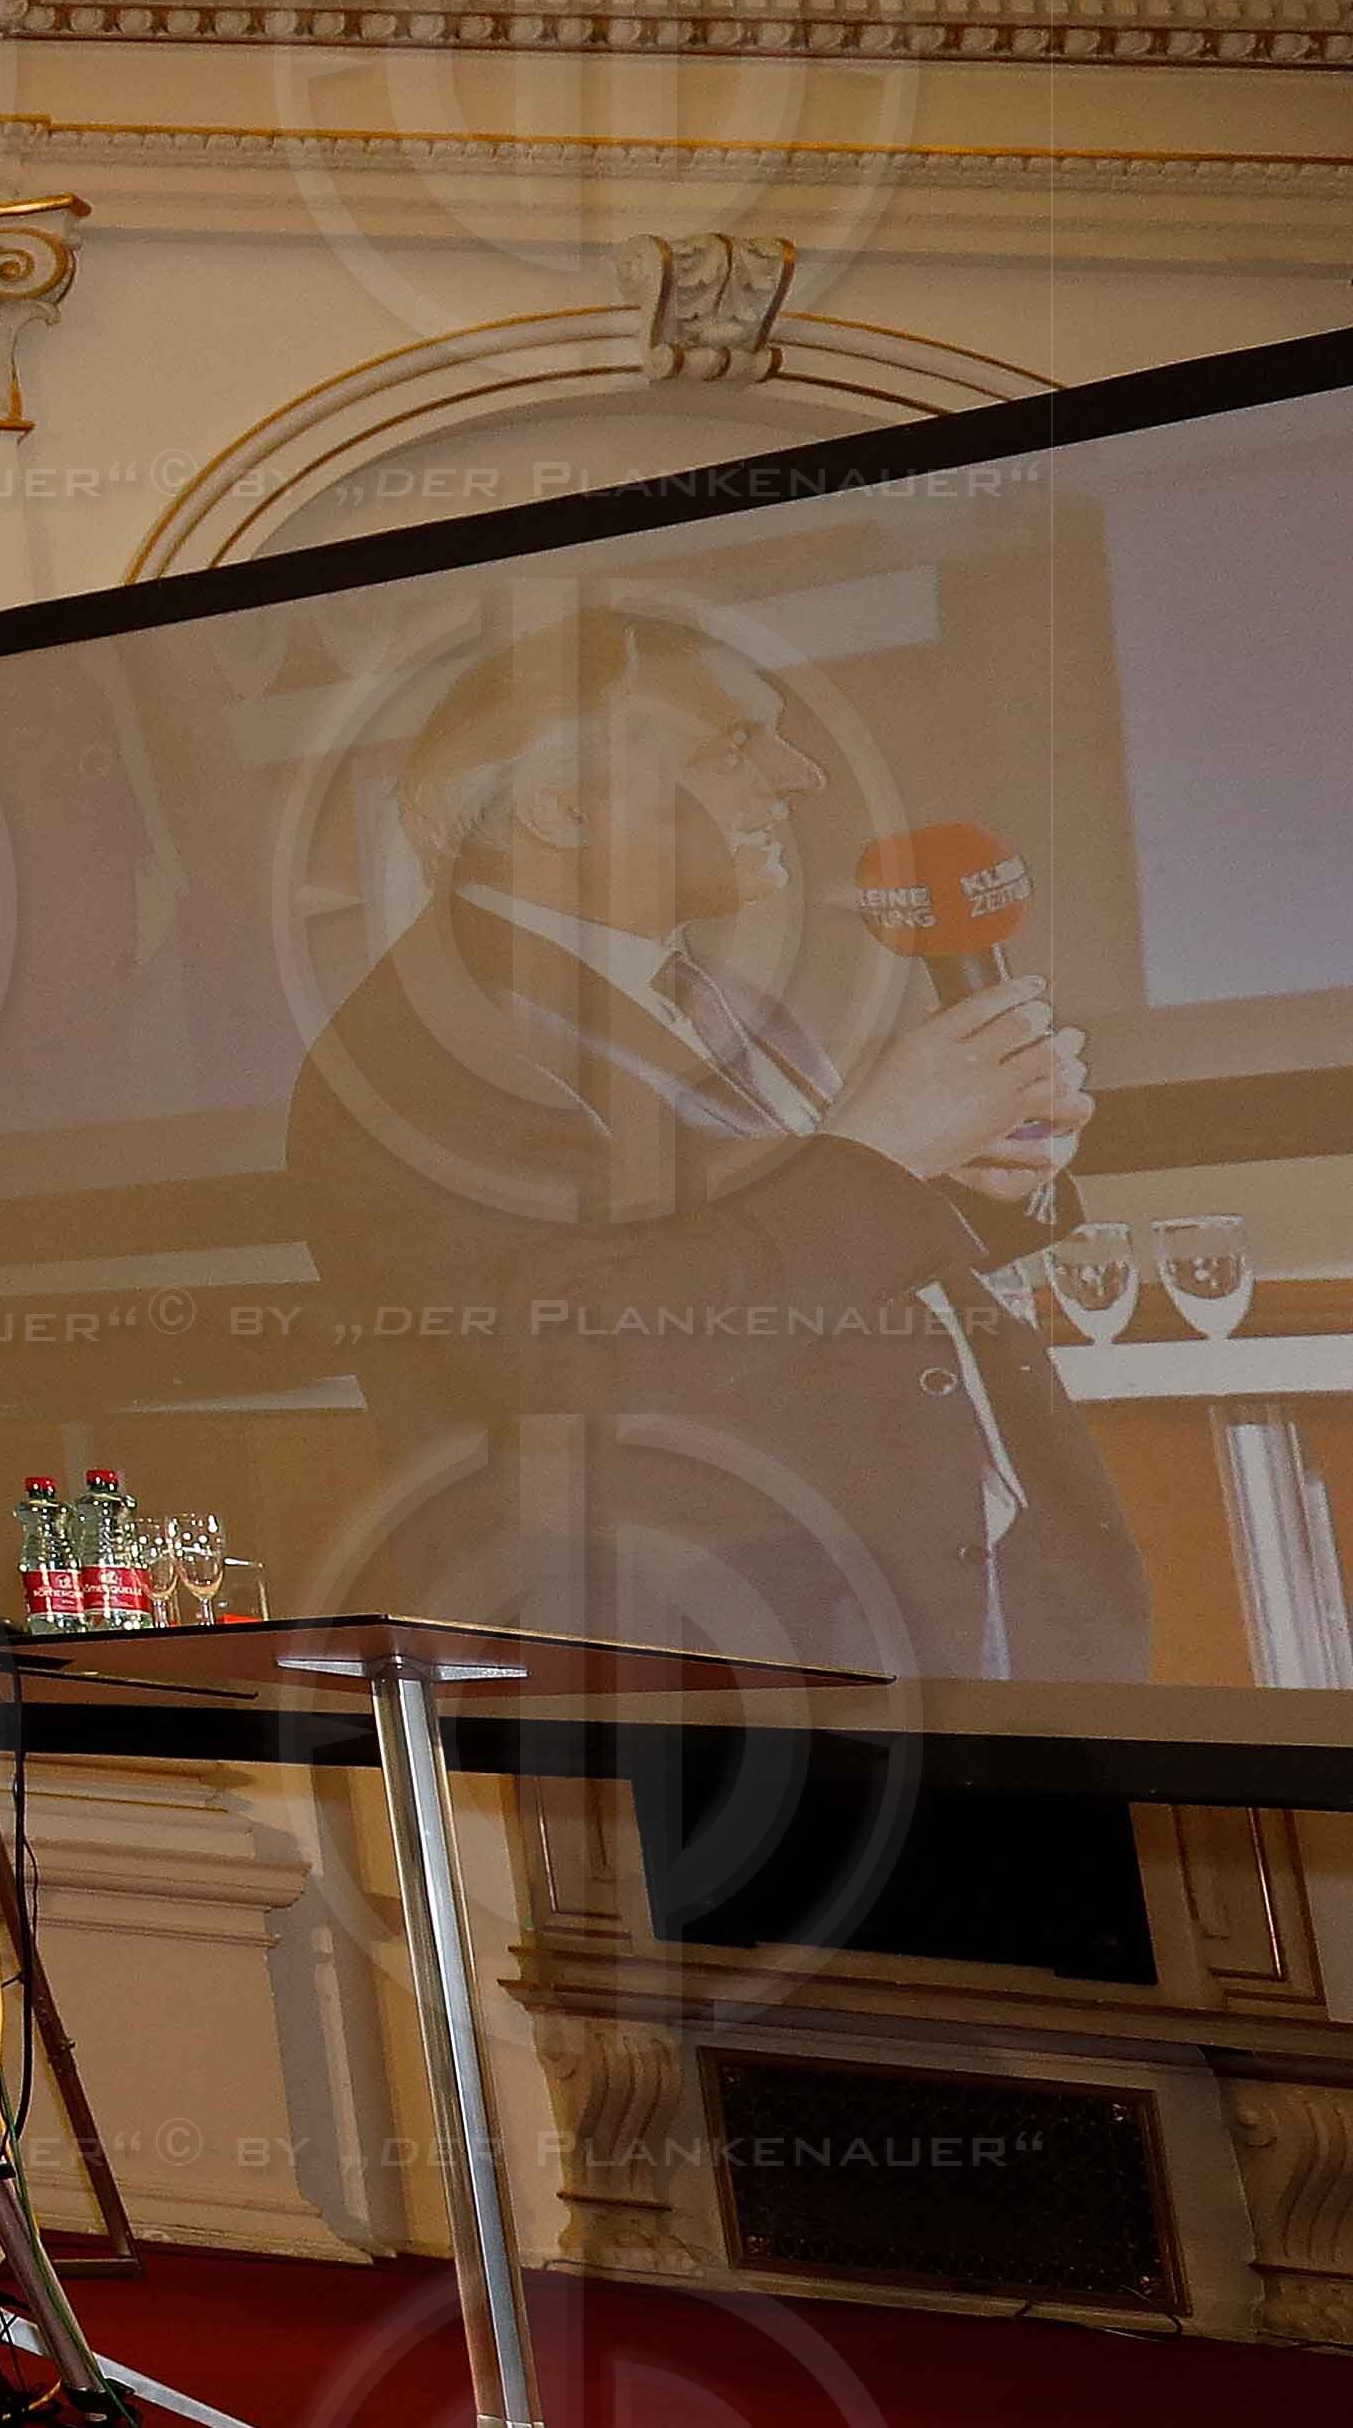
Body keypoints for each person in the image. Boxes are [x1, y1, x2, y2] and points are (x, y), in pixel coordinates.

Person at [282, 603, 1138, 1683]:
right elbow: (595, 1351)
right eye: (735, 743)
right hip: (726, 1678)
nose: (797, 775)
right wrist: (880, 1155)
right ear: (563, 808)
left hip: (923, 1622)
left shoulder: (709, 990)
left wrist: (971, 1175)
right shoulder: (417, 1051)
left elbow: (794, 1265)